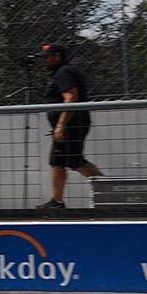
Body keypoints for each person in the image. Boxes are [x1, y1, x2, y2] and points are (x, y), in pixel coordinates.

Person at [37, 43, 102, 208]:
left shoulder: (65, 72)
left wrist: (61, 126)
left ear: (57, 56)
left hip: (71, 125)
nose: (44, 61)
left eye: (47, 57)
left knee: (74, 161)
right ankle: (57, 201)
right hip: (71, 124)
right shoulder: (61, 72)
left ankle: (109, 190)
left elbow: (71, 98)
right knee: (59, 161)